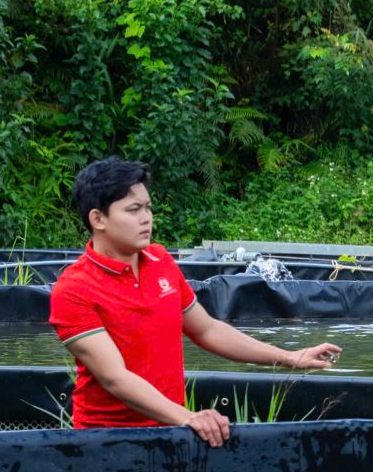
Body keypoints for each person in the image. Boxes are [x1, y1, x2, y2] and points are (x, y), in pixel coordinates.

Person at [48, 158, 341, 446]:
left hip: (171, 434)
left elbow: (206, 329)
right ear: (98, 219)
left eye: (148, 207)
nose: (146, 217)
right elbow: (114, 377)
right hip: (105, 443)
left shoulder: (160, 261)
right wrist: (188, 417)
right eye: (133, 210)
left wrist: (291, 357)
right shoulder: (74, 289)